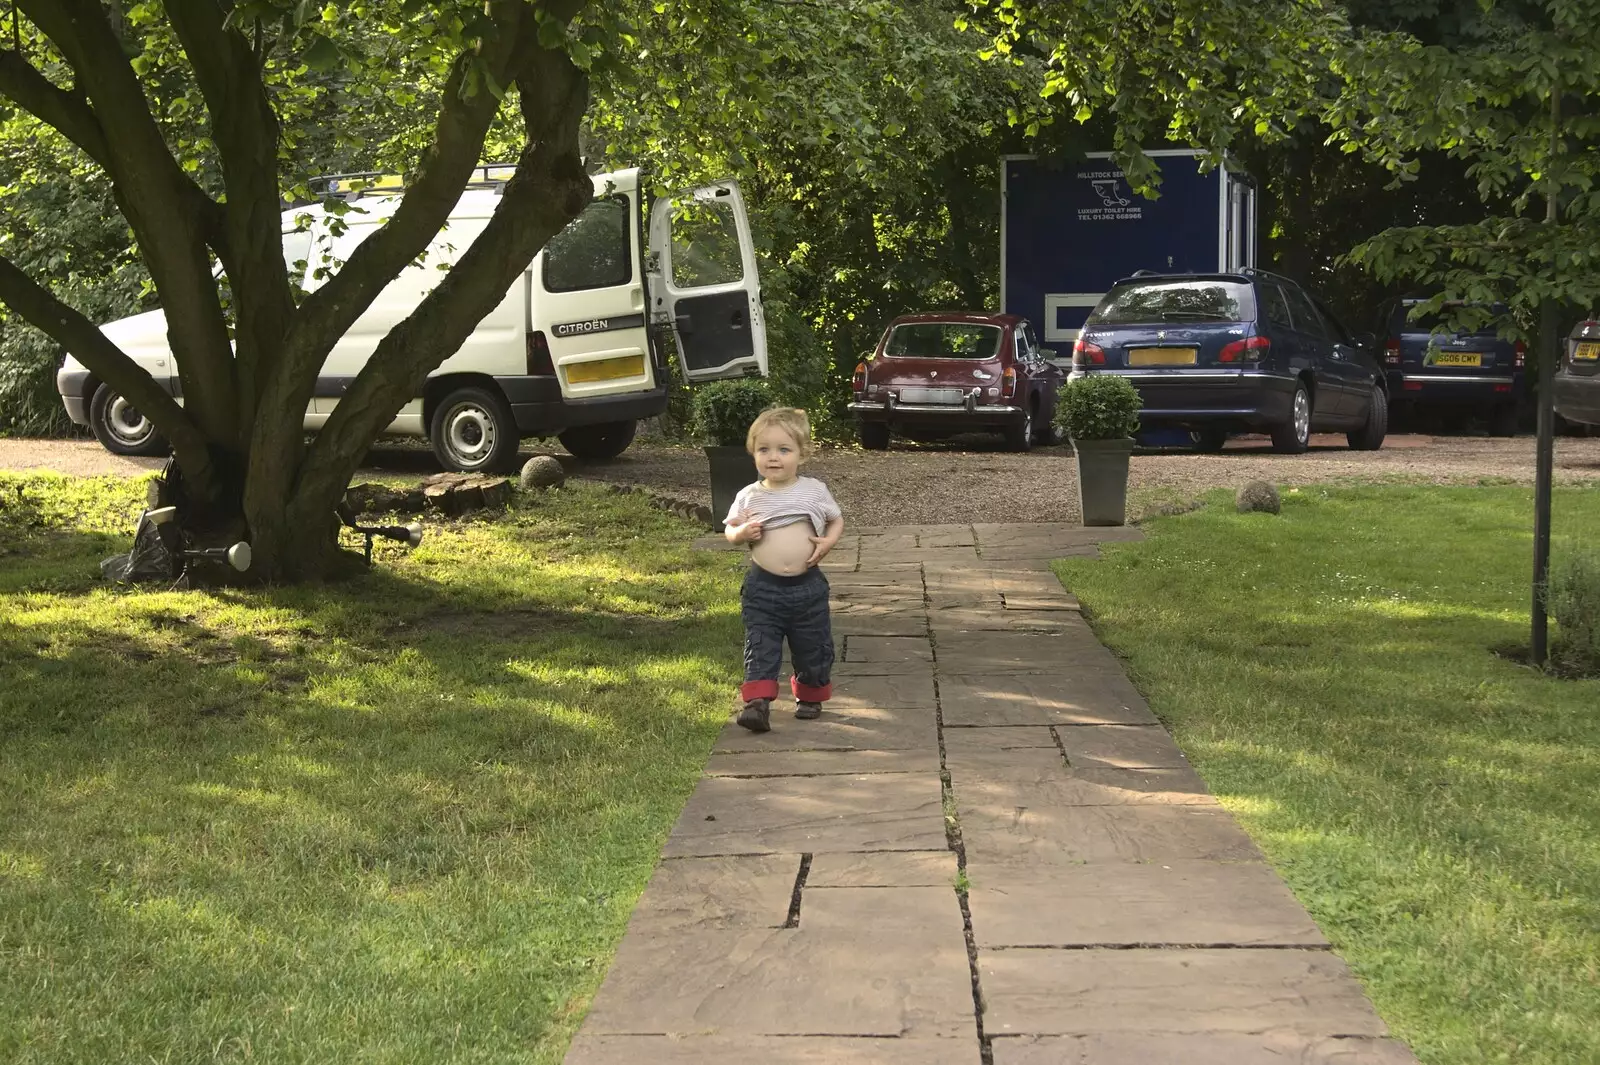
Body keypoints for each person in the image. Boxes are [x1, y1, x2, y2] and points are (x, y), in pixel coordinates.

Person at [723, 407, 844, 732]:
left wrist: (828, 542)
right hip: (763, 589)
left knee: (813, 645)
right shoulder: (749, 496)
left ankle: (810, 696)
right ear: (753, 453)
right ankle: (757, 703)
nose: (773, 457)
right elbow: (730, 531)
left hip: (807, 588)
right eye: (764, 450)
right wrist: (741, 534)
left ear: (802, 454)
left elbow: (836, 519)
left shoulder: (813, 490)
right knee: (760, 642)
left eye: (783, 450)